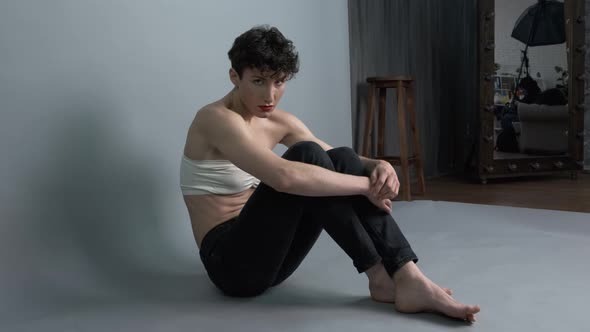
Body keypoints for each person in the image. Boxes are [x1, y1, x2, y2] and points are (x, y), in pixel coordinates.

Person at [180, 25, 480, 322]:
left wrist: (376, 165)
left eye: (279, 82)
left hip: (274, 261)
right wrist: (365, 186)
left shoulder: (275, 121)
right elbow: (284, 177)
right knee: (306, 157)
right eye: (258, 81)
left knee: (340, 157)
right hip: (231, 266)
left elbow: (337, 157)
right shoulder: (215, 119)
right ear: (235, 76)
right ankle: (379, 275)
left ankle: (406, 274)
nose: (270, 95)